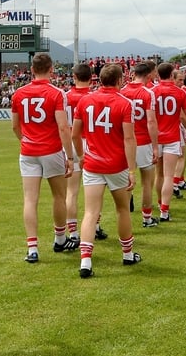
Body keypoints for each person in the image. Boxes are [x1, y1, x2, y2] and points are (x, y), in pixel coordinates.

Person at [72, 63, 141, 278]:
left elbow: (75, 134)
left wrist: (81, 156)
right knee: (122, 209)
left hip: (92, 164)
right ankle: (128, 254)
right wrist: (132, 169)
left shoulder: (85, 100)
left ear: (99, 80)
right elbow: (129, 139)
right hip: (116, 164)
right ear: (120, 80)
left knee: (91, 212)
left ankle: (85, 262)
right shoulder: (124, 103)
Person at [11, 52, 77, 263]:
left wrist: (25, 140)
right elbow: (63, 127)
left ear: (31, 70)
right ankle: (59, 238)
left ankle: (32, 248)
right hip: (51, 150)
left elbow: (15, 125)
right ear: (51, 70)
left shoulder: (19, 93)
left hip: (28, 151)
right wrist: (69, 156)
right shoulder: (57, 93)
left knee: (30, 199)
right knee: (59, 195)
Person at [64, 63, 107, 241]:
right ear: (91, 77)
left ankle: (73, 232)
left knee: (71, 191)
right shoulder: (95, 97)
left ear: (74, 77)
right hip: (90, 143)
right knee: (97, 189)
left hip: (70, 143)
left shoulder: (65, 97)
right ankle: (95, 226)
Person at [151, 62, 186, 221]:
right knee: (169, 176)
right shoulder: (179, 92)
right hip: (172, 136)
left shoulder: (152, 92)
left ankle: (159, 204)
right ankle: (164, 210)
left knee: (159, 174)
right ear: (171, 75)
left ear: (158, 75)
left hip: (156, 137)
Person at [120, 62, 161, 227]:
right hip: (143, 141)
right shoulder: (147, 93)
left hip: (125, 141)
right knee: (146, 182)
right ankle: (147, 218)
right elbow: (151, 121)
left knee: (126, 180)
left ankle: (126, 211)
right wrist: (156, 146)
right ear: (149, 75)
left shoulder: (122, 91)